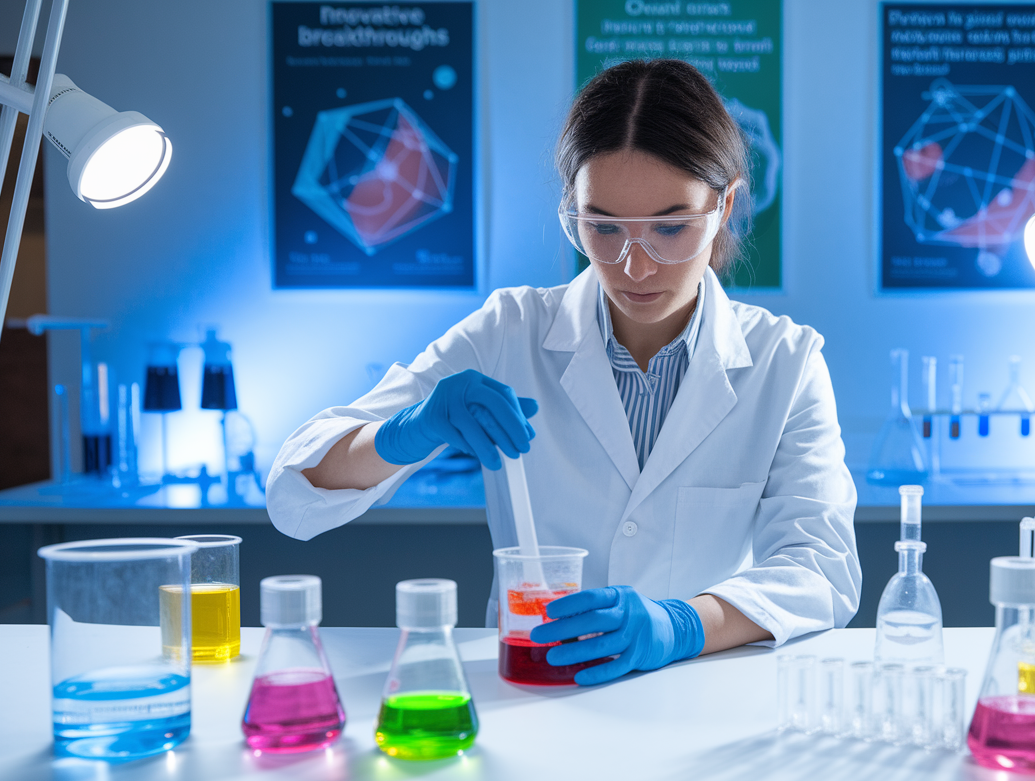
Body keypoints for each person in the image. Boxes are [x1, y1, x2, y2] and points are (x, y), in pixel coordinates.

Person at [267, 59, 860, 685]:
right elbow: (293, 495)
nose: (635, 265)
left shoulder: (785, 362)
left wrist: (680, 625)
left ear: (724, 204)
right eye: (602, 227)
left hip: (705, 695)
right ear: (571, 209)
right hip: (534, 689)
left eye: (670, 227)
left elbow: (822, 570)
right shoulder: (508, 332)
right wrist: (401, 433)